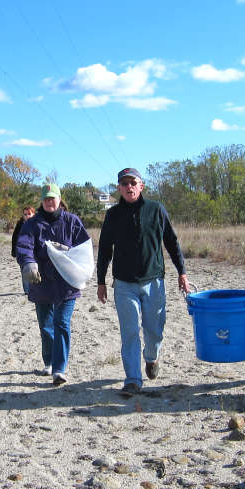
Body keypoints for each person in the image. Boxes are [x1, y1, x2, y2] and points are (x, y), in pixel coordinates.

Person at [96, 168, 190, 395]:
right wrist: (101, 281)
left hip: (154, 282)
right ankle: (132, 380)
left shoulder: (156, 210)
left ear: (141, 186)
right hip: (124, 284)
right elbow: (105, 249)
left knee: (154, 330)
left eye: (133, 183)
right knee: (129, 333)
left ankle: (152, 357)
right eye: (124, 184)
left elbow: (172, 242)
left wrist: (182, 272)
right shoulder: (113, 215)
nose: (129, 187)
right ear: (118, 188)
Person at [16, 184, 90, 386]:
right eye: (46, 198)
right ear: (41, 201)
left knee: (62, 323)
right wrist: (28, 263)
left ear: (59, 199)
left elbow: (85, 247)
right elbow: (24, 246)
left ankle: (59, 369)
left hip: (68, 283)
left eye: (53, 198)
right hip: (41, 282)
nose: (50, 202)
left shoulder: (72, 221)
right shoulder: (32, 224)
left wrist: (72, 256)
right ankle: (48, 362)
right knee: (46, 326)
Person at [12, 205, 36, 294]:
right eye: (25, 214)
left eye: (29, 214)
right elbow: (14, 238)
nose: (27, 216)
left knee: (34, 270)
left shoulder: (37, 224)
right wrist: (14, 251)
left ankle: (34, 289)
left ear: (33, 214)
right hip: (21, 252)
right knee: (24, 271)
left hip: (33, 252)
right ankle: (27, 291)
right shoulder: (20, 224)